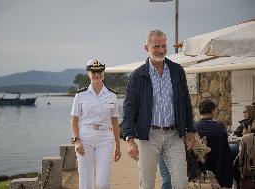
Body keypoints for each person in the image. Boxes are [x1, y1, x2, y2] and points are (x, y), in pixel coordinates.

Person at [121, 29, 195, 189]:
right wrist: (129, 139)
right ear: (146, 47)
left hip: (175, 134)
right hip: (148, 136)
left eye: (163, 46)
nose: (161, 50)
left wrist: (191, 131)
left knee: (181, 183)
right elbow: (129, 108)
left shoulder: (177, 71)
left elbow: (186, 102)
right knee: (147, 184)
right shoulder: (137, 75)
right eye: (156, 46)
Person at [70, 59, 121, 189]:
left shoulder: (112, 95)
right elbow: (74, 121)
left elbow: (115, 122)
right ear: (89, 74)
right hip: (85, 138)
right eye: (94, 72)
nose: (97, 75)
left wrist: (118, 146)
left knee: (102, 183)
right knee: (85, 182)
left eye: (99, 72)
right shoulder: (80, 95)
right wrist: (76, 141)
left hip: (105, 139)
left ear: (103, 74)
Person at [194, 99, 233, 188]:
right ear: (212, 112)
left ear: (200, 112)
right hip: (220, 168)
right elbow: (226, 148)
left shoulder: (194, 127)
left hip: (199, 168)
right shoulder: (220, 126)